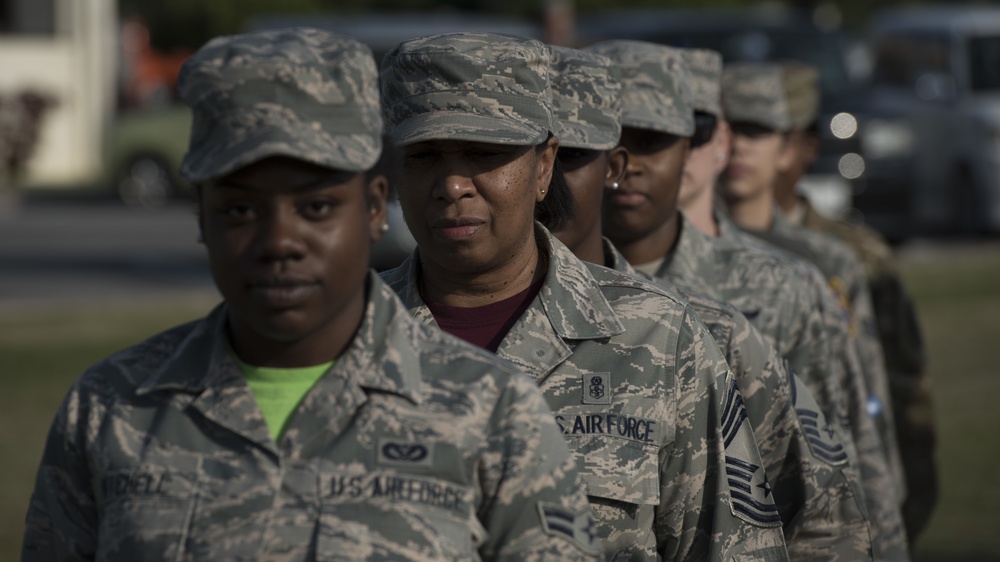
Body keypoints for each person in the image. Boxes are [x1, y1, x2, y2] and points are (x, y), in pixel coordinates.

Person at [21, 28, 599, 562]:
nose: (279, 243)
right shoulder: (112, 409)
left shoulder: (495, 414)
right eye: (240, 209)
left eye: (317, 207)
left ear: (374, 207)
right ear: (201, 217)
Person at [378, 32, 789, 562]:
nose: (453, 184)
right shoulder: (349, 338)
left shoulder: (657, 338)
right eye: (424, 155)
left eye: (486, 153)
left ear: (544, 165)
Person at [546, 44, 873, 561]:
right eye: (587, 148)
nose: (625, 165)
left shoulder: (738, 312)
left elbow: (839, 494)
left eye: (651, 142)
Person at [717, 60, 911, 561]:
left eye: (755, 131)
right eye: (726, 128)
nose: (738, 144)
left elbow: (866, 406)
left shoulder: (822, 263)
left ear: (788, 148)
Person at [772, 62, 938, 544]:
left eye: (775, 136)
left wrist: (908, 492)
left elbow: (903, 379)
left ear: (805, 148)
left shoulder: (853, 256)